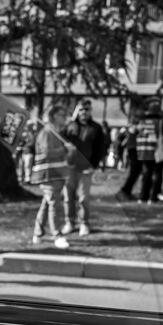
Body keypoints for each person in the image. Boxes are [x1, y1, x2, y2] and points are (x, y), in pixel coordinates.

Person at [62, 98, 109, 237]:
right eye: (81, 109)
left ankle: (84, 223)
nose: (84, 112)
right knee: (68, 197)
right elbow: (61, 139)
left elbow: (100, 149)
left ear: (90, 111)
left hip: (85, 168)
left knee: (83, 198)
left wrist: (93, 165)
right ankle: (69, 222)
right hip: (69, 167)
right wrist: (71, 119)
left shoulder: (96, 128)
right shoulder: (69, 126)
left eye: (86, 109)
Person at [32, 104, 75, 249]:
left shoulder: (55, 133)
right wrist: (65, 149)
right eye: (63, 115)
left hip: (55, 174)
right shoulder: (47, 133)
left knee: (48, 203)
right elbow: (47, 153)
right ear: (55, 116)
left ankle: (38, 233)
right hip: (48, 175)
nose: (65, 118)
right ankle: (57, 235)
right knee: (54, 204)